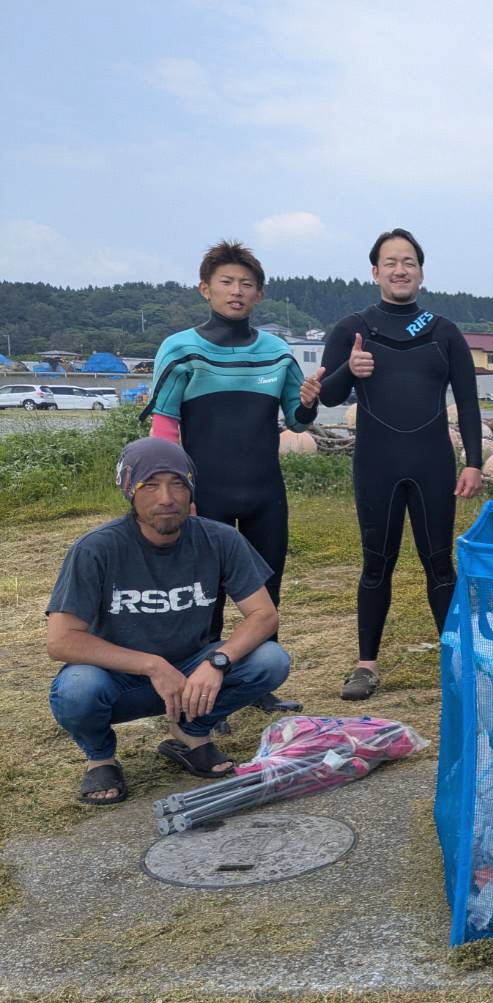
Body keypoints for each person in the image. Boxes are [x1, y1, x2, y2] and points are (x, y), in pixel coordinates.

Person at [47, 439, 292, 805]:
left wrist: (217, 661)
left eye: (178, 483)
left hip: (192, 671)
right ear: (129, 490)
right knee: (75, 690)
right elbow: (61, 641)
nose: (166, 498)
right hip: (119, 680)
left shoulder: (220, 539)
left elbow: (264, 614)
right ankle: (100, 758)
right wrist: (152, 665)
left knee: (271, 660)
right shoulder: (96, 549)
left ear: (191, 489)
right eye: (150, 485)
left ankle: (190, 732)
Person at [307, 228, 483, 701]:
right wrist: (350, 369)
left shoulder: (444, 332)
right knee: (375, 563)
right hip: (376, 464)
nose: (400, 270)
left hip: (433, 463)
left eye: (409, 262)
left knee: (439, 563)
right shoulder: (353, 329)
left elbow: (468, 401)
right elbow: (328, 396)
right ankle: (366, 665)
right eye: (391, 262)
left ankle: (457, 662)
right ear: (375, 271)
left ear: (421, 272)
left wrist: (474, 462)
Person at [144, 240, 313, 714]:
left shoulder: (277, 352)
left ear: (259, 293)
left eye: (247, 284)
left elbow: (298, 420)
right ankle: (199, 690)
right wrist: (179, 493)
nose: (237, 291)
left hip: (265, 492)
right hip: (205, 493)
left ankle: (258, 684)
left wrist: (311, 400)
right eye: (227, 282)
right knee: (205, 595)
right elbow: (164, 429)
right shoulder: (180, 349)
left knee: (267, 589)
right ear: (206, 289)